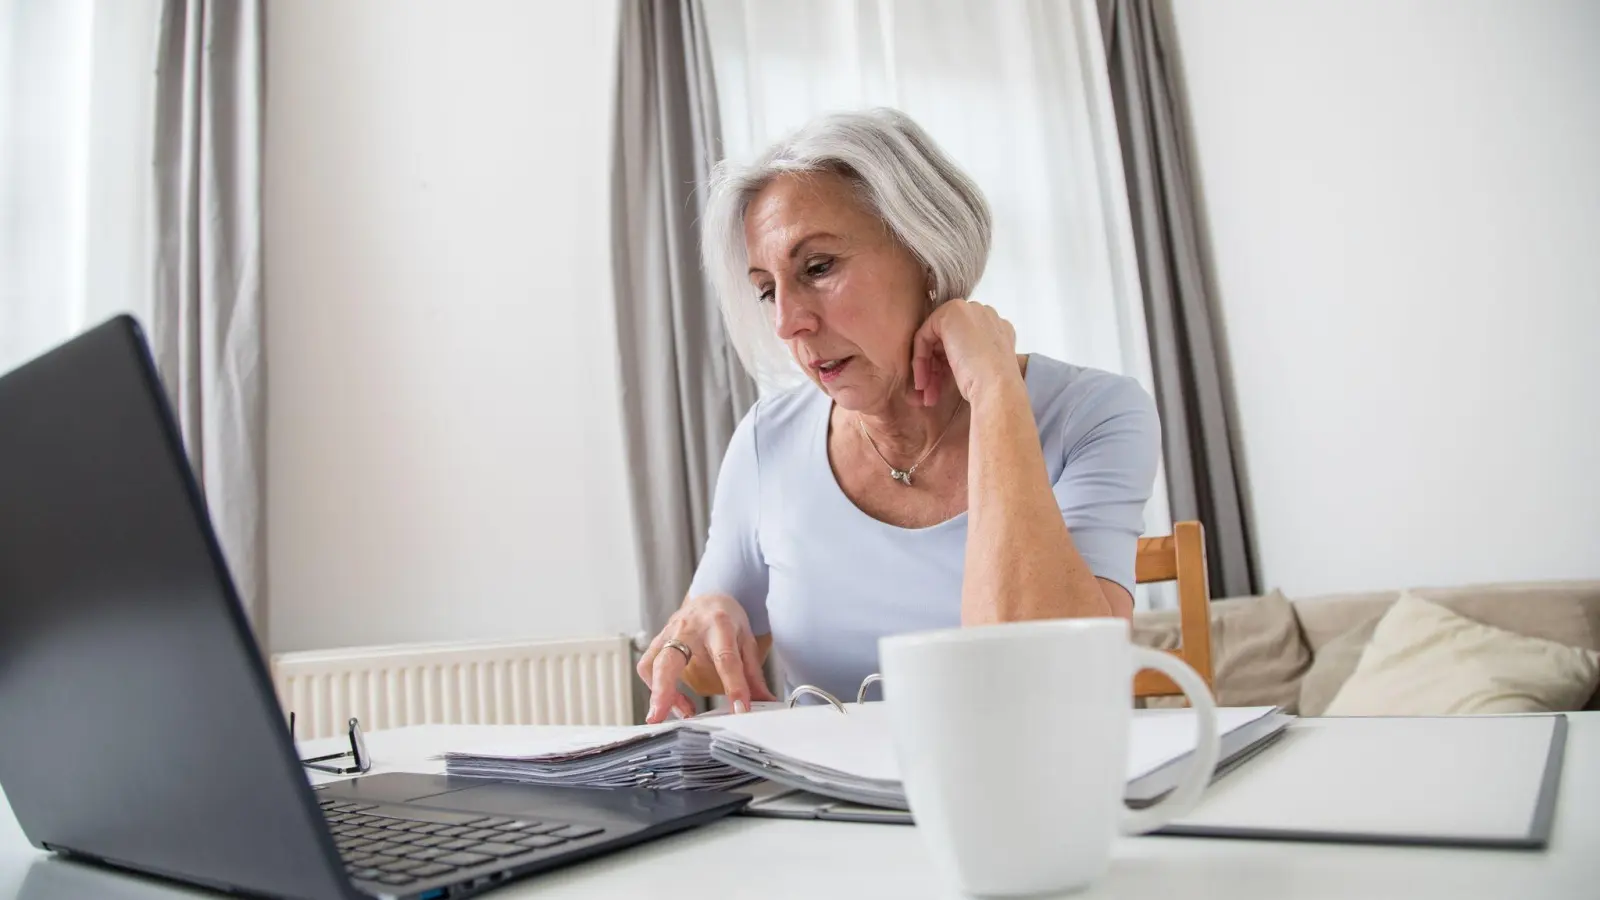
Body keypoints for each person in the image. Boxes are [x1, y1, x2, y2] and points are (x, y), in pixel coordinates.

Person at [635, 108, 1160, 724]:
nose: (787, 322)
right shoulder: (765, 442)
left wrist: (995, 393)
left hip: (1033, 793)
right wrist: (697, 630)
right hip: (835, 810)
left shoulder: (1095, 415)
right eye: (768, 289)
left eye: (819, 268)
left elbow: (1043, 678)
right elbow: (707, 656)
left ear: (928, 253)